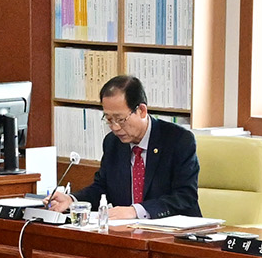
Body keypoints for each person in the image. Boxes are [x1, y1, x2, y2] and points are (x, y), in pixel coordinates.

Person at [49, 75, 199, 220]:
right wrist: (72, 200)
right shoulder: (112, 143)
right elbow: (101, 188)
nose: (115, 127)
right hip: (129, 233)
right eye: (108, 119)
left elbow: (185, 196)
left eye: (120, 119)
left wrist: (136, 211)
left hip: (176, 235)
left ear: (141, 111)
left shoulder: (178, 140)